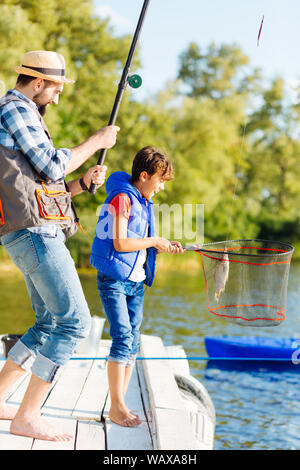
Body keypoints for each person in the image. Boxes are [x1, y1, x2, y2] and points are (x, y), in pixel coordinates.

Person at [0, 50, 119, 441]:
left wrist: (81, 184)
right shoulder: (16, 109)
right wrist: (96, 141)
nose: (57, 97)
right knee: (74, 323)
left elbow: (42, 185)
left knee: (48, 323)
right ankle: (28, 415)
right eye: (55, 89)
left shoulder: (23, 114)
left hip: (32, 229)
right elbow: (51, 165)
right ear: (37, 83)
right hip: (35, 234)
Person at [90, 145, 184, 427]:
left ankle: (121, 404)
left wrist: (162, 245)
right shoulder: (122, 198)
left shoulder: (142, 200)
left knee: (132, 341)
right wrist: (155, 241)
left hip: (135, 283)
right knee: (121, 338)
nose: (161, 189)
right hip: (114, 281)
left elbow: (138, 244)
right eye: (159, 182)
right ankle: (117, 407)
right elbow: (120, 243)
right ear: (144, 176)